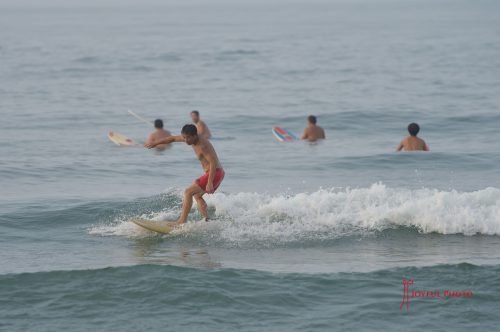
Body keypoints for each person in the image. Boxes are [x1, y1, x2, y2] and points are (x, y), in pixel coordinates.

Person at [145, 124, 224, 225]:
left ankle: (181, 221)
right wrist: (155, 143)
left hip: (214, 173)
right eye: (184, 137)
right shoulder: (190, 138)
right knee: (197, 195)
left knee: (188, 192)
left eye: (188, 138)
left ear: (195, 135)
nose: (186, 140)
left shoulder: (202, 145)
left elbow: (213, 163)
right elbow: (172, 138)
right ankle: (207, 219)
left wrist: (209, 183)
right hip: (218, 173)